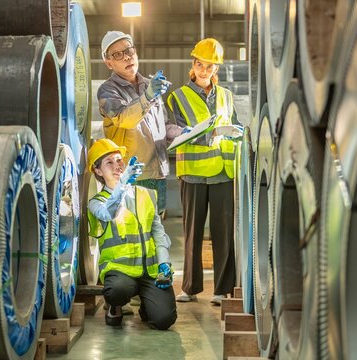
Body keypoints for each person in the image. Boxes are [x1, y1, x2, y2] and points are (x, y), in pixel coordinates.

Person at [166, 38, 240, 306]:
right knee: (192, 233)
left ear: (216, 69)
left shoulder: (227, 97)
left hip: (222, 171)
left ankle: (221, 289)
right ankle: (190, 287)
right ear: (193, 65)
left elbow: (236, 128)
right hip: (193, 173)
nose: (204, 69)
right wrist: (211, 135)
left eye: (210, 66)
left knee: (223, 232)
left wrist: (236, 133)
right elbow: (176, 134)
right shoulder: (177, 97)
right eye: (200, 64)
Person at [87, 138, 177, 330]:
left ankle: (148, 304)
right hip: (120, 273)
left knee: (164, 320)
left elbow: (158, 232)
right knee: (116, 292)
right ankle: (114, 306)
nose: (117, 165)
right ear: (98, 171)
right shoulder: (96, 202)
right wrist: (123, 185)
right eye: (109, 162)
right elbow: (108, 213)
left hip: (149, 270)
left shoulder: (146, 194)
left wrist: (164, 262)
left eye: (119, 160)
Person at [98, 30, 183, 217]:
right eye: (118, 54)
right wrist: (148, 97)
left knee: (156, 232)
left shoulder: (149, 85)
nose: (127, 57)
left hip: (158, 173)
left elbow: (163, 126)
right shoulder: (108, 91)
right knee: (132, 234)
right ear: (108, 62)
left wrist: (182, 133)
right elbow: (124, 119)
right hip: (131, 176)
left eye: (129, 50)